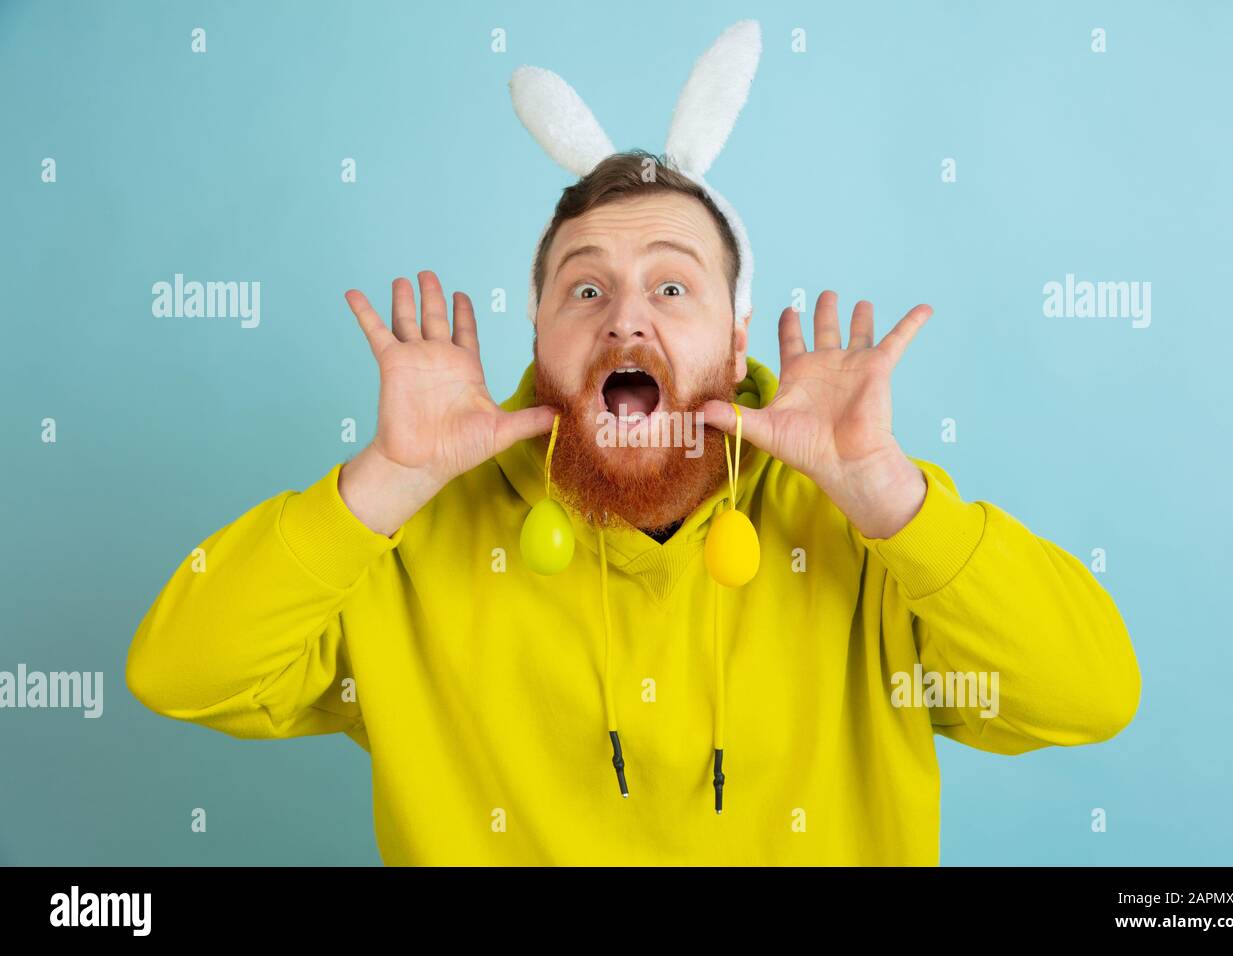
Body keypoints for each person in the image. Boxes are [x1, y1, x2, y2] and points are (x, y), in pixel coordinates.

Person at [125, 150, 1141, 865]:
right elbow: (180, 670)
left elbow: (1089, 691)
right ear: (539, 333)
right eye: (584, 290)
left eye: (671, 287)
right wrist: (386, 481)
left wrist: (884, 492)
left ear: (737, 340)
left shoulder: (859, 528)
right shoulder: (414, 531)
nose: (624, 317)